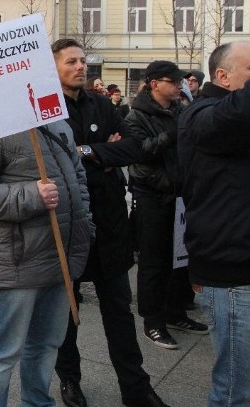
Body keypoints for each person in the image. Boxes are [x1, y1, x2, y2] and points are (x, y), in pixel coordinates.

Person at [0, 87, 94, 407]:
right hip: (17, 261)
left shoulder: (57, 121)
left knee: (46, 345)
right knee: (2, 353)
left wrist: (84, 224)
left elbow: (78, 179)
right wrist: (32, 196)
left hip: (60, 258)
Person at [51, 39, 168, 407]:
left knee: (118, 308)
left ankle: (136, 388)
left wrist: (88, 151)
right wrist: (104, 150)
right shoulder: (45, 110)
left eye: (83, 60)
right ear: (53, 67)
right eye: (71, 61)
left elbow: (135, 145)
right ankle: (69, 379)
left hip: (110, 221)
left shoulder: (101, 103)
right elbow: (53, 157)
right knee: (67, 311)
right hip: (68, 223)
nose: (81, 66)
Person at [179, 41, 250, 406]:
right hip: (238, 279)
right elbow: (244, 115)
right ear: (222, 76)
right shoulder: (203, 115)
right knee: (240, 393)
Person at [125, 61, 207, 351]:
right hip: (152, 195)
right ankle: (153, 321)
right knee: (153, 261)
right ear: (154, 83)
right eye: (172, 81)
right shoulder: (136, 115)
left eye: (179, 81)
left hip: (181, 195)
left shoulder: (182, 110)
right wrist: (171, 135)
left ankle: (175, 311)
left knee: (179, 258)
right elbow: (138, 151)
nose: (178, 85)